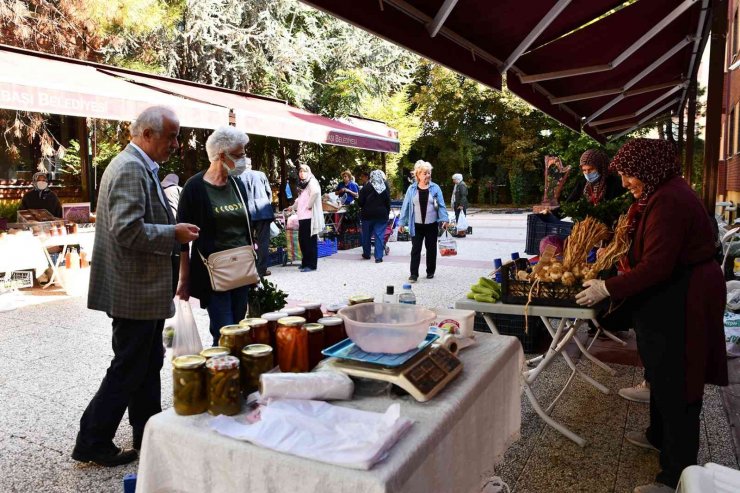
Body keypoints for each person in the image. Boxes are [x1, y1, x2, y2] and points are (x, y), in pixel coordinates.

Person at [575, 138, 727, 493]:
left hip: (685, 296)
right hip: (674, 292)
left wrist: (609, 287)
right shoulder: (660, 193)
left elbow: (657, 265)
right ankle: (658, 436)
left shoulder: (670, 200)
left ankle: (675, 476)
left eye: (629, 175)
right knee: (661, 369)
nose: (625, 182)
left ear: (648, 169)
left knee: (678, 381)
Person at [73, 106, 199, 466]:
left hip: (140, 289)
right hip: (134, 290)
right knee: (129, 365)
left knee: (146, 362)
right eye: (171, 136)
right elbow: (127, 229)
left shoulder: (138, 165)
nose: (176, 143)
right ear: (147, 135)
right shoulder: (130, 168)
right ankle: (92, 439)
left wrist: (171, 229)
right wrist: (172, 234)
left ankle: (148, 431)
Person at [176, 126, 253, 346]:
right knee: (224, 334)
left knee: (238, 329)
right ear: (221, 156)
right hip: (213, 274)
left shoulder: (238, 185)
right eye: (239, 155)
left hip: (242, 270)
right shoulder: (194, 188)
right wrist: (184, 278)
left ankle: (235, 375)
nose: (243, 159)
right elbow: (183, 241)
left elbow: (246, 229)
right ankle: (221, 377)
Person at [398, 160, 449, 282]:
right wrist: (401, 223)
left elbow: (441, 205)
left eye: (429, 172)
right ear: (418, 175)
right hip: (416, 225)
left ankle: (430, 271)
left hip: (431, 225)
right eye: (425, 173)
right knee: (416, 249)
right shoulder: (411, 189)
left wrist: (444, 219)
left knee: (431, 249)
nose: (428, 175)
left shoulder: (435, 188)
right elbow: (406, 206)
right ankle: (413, 274)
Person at [239, 159, 275, 277]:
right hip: (263, 212)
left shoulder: (237, 177)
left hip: (247, 212)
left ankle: (249, 269)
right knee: (263, 241)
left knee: (246, 241)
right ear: (250, 165)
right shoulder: (261, 174)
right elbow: (269, 193)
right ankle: (261, 270)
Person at [292, 164, 324, 272]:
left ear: (308, 172)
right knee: (303, 240)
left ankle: (311, 265)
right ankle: (305, 262)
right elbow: (299, 199)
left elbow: (315, 192)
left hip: (309, 217)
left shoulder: (311, 181)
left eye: (304, 171)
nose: (302, 173)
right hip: (302, 216)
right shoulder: (303, 184)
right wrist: (292, 207)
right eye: (300, 171)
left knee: (309, 241)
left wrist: (309, 205)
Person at [358, 170, 391, 263]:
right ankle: (378, 257)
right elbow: (388, 202)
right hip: (381, 215)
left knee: (366, 235)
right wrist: (387, 213)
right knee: (379, 235)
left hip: (367, 215)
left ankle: (366, 254)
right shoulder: (385, 187)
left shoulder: (365, 188)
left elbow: (360, 203)